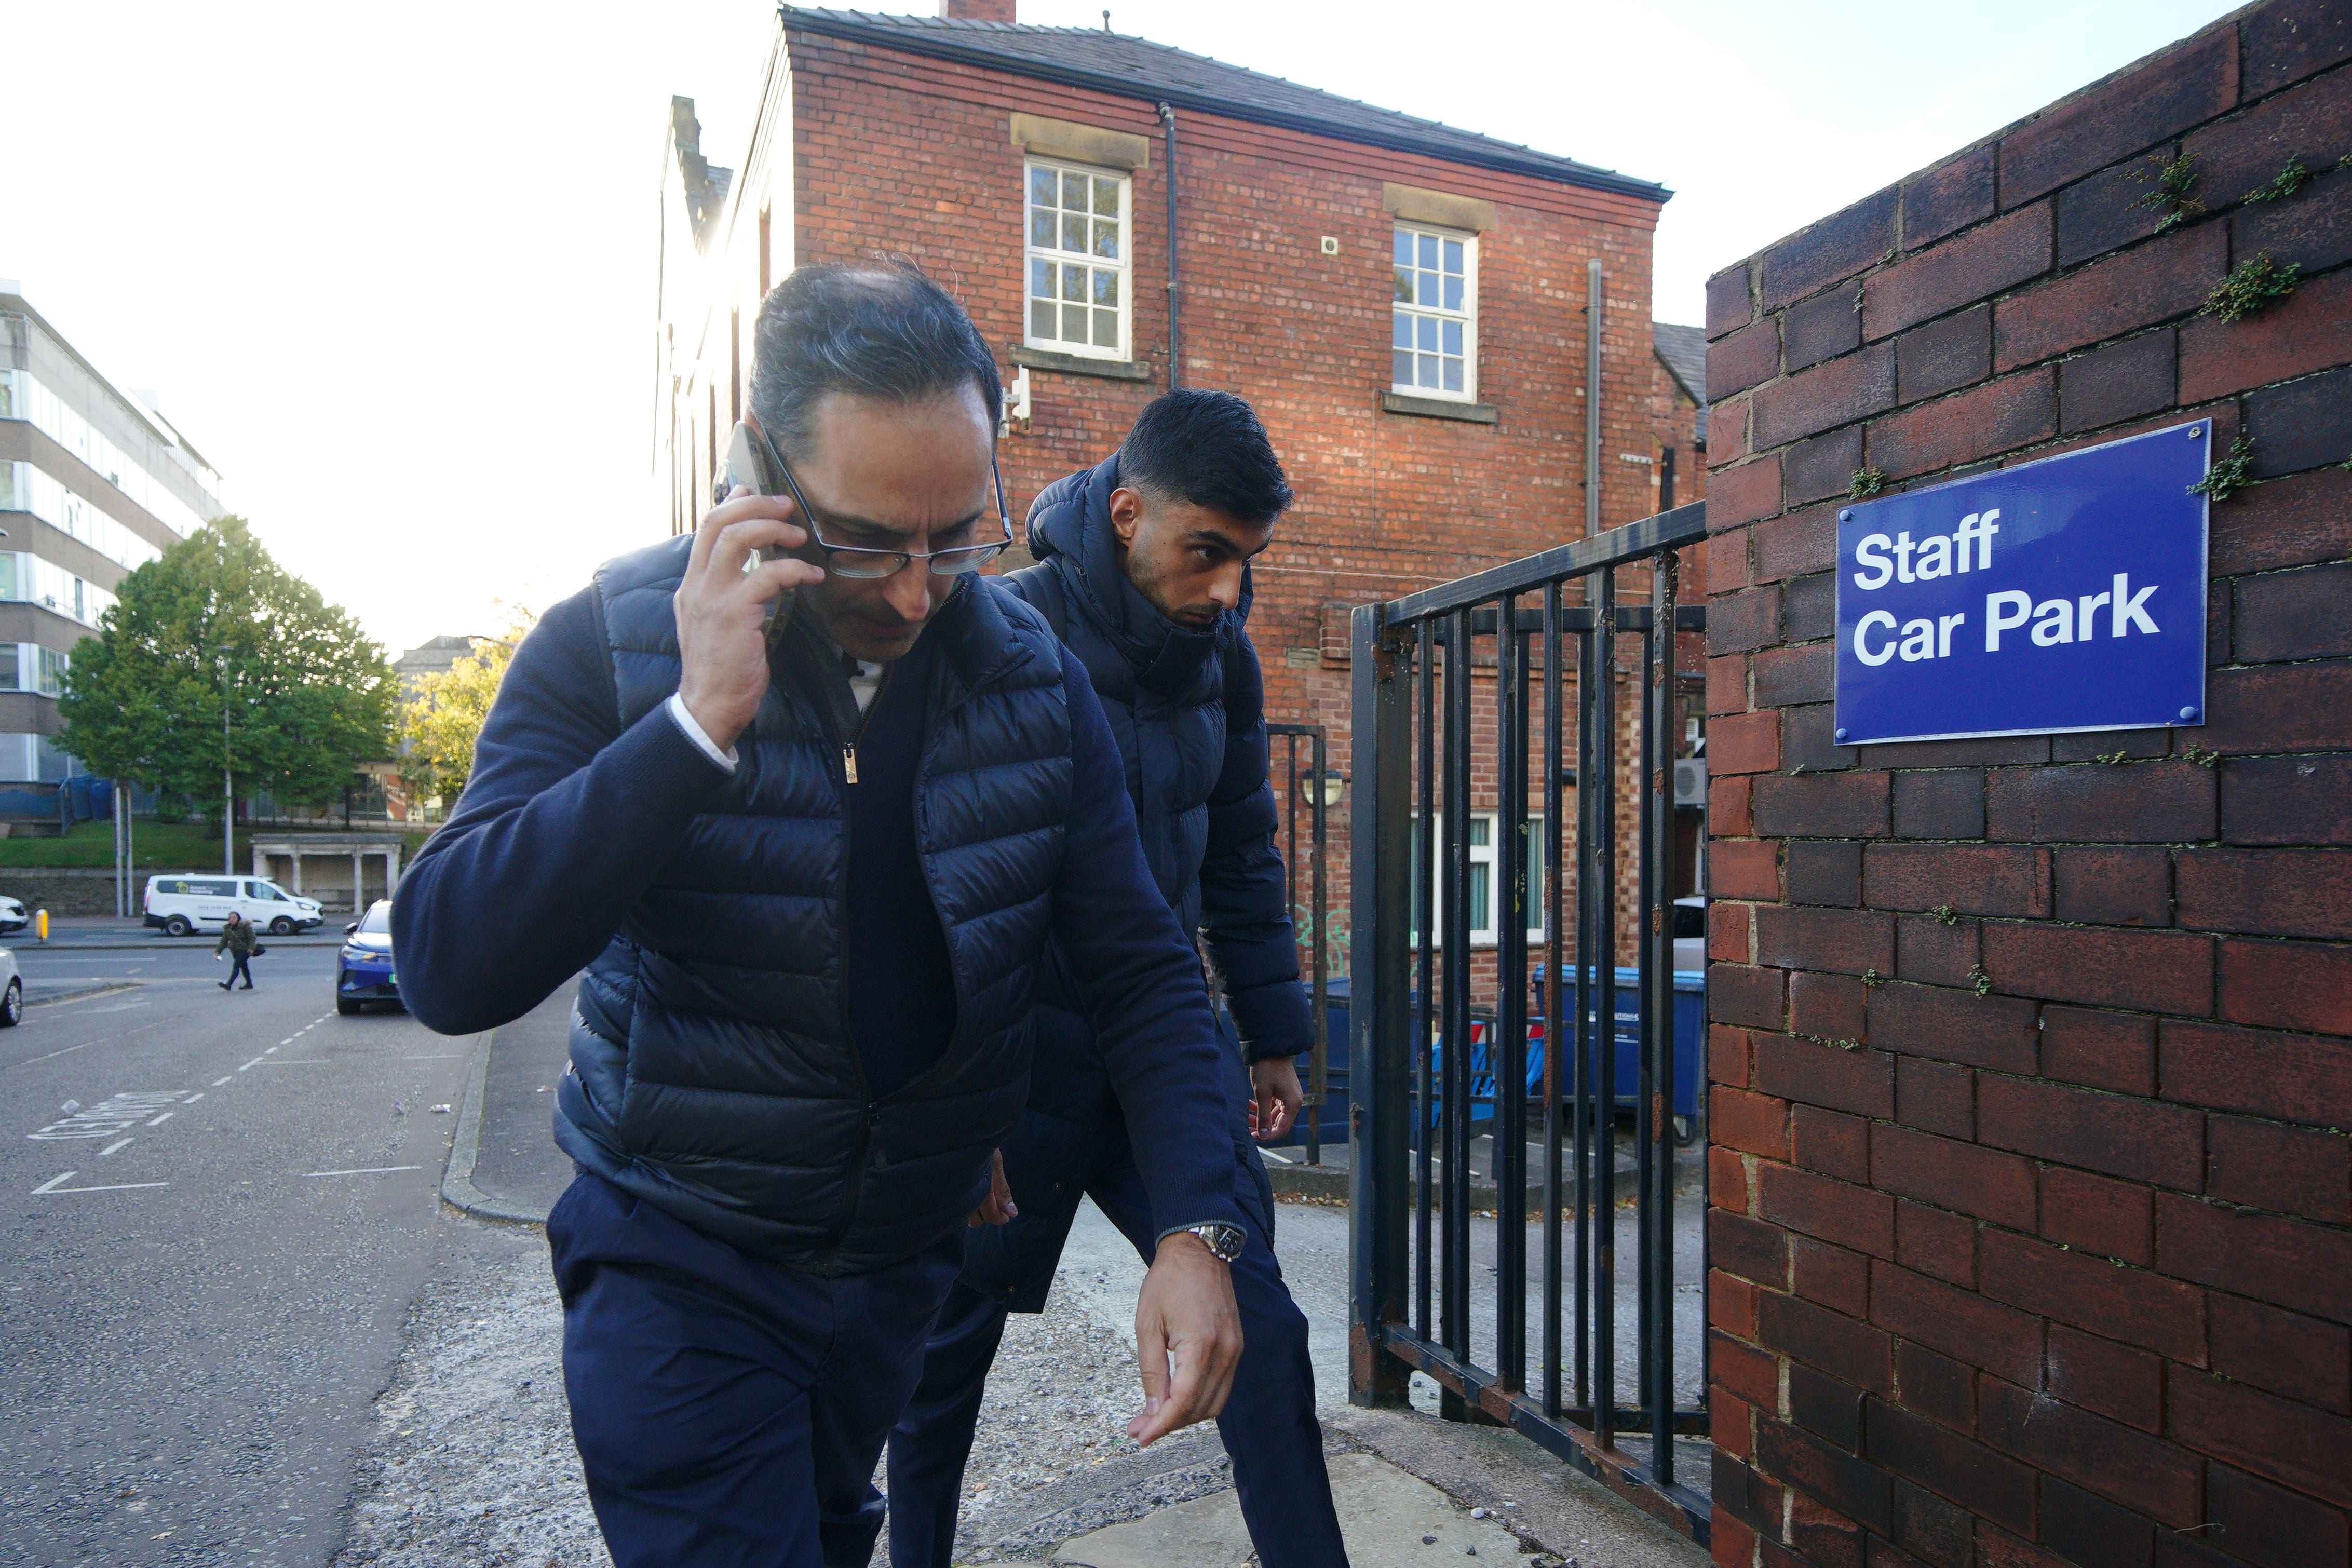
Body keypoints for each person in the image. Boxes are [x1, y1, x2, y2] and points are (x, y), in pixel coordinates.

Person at [393, 263, 1250, 1568]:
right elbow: (448, 963)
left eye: (957, 534)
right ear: (758, 471)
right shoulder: (612, 644)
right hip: (683, 1249)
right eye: (865, 541)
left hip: (897, 1264)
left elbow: (1138, 966)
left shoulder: (1036, 682)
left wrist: (1198, 1224)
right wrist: (692, 728)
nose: (915, 590)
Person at [886, 389, 1349, 1568]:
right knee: (941, 1360)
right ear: (1130, 513)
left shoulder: (1224, 663)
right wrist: (932, 1085)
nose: (1227, 590)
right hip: (1010, 1057)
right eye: (1206, 554)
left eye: (1246, 561)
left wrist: (1272, 1031)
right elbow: (909, 864)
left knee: (1265, 1334)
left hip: (1158, 1050)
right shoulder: (988, 632)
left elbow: (1242, 848)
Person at [215, 911, 256, 990]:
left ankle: (229, 984)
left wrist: (251, 948)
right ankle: (249, 984)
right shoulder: (228, 929)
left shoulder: (244, 926)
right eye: (230, 918)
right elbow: (224, 942)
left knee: (236, 966)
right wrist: (218, 952)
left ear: (238, 919)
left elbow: (252, 938)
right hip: (235, 951)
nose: (232, 920)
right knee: (244, 967)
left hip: (245, 950)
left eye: (234, 918)